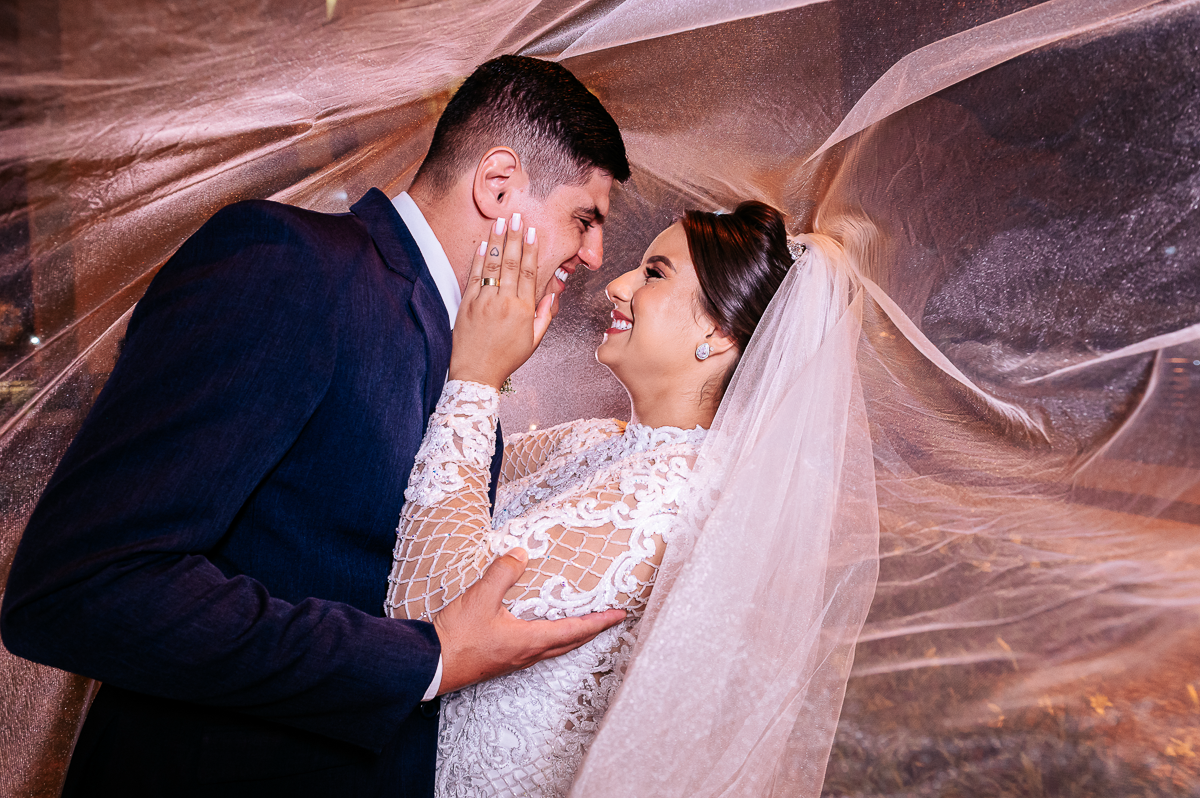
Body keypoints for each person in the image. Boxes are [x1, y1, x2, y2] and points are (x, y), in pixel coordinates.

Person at [0, 55, 630, 797]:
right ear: (497, 186)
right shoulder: (288, 266)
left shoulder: (465, 345)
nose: (593, 256)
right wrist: (425, 660)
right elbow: (82, 588)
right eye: (584, 218)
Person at [386, 201, 881, 796]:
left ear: (717, 331)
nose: (616, 286)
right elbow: (419, 478)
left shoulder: (672, 502)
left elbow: (422, 610)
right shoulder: (595, 439)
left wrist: (478, 375)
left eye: (654, 273)